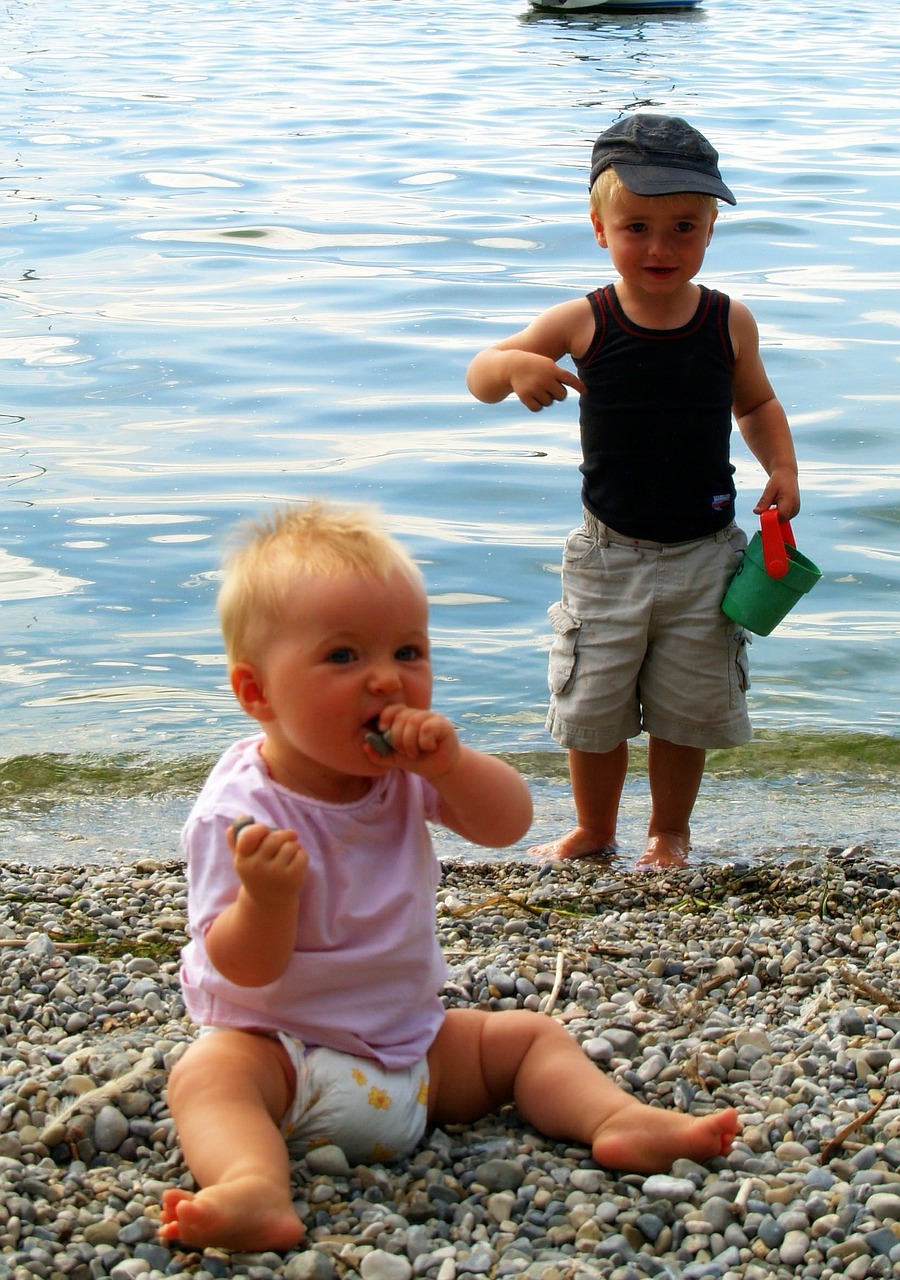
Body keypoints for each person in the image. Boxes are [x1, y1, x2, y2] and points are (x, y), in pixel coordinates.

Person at [159, 500, 739, 1252]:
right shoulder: (237, 813)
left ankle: (616, 1121)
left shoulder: (404, 771)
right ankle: (254, 1185)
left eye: (408, 652)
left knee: (529, 1040)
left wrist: (452, 765)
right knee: (210, 1073)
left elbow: (508, 825)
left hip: (415, 1055)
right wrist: (268, 899)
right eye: (343, 657)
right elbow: (240, 967)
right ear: (256, 693)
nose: (386, 682)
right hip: (287, 1058)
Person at [466, 113, 800, 872]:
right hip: (608, 554)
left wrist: (781, 466)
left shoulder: (728, 322)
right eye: (637, 227)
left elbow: (755, 405)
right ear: (599, 228)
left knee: (688, 708)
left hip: (706, 554)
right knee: (594, 708)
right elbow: (481, 371)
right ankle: (593, 828)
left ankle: (668, 833)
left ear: (711, 231)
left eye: (684, 227)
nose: (660, 247)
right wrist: (516, 368)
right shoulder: (586, 319)